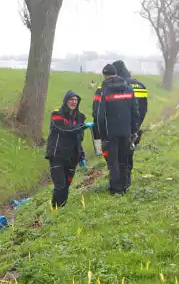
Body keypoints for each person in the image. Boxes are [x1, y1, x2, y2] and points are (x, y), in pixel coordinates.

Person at [92, 64, 140, 195]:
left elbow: (98, 115)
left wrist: (101, 135)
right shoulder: (128, 88)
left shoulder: (102, 91)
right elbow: (135, 111)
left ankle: (116, 189)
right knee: (124, 159)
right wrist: (134, 130)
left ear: (105, 75)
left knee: (113, 162)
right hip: (126, 131)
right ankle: (125, 185)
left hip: (110, 132)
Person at [45, 90, 90, 208]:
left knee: (66, 187)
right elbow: (66, 129)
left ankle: (58, 210)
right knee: (60, 185)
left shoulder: (79, 118)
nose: (74, 102)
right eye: (71, 100)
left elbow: (78, 140)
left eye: (76, 100)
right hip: (57, 155)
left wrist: (81, 156)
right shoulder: (56, 115)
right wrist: (83, 127)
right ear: (66, 101)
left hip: (72, 158)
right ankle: (55, 209)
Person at [111, 60, 148, 189]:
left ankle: (121, 184)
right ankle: (127, 181)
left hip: (121, 127)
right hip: (135, 127)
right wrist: (136, 126)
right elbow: (143, 108)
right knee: (129, 154)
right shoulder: (140, 85)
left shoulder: (119, 85)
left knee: (119, 157)